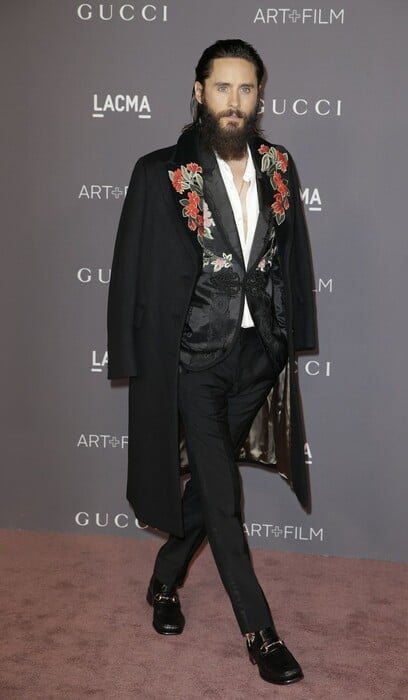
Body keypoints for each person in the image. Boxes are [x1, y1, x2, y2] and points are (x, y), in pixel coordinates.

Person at [107, 39, 317, 685]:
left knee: (207, 487)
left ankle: (165, 580)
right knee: (224, 499)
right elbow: (129, 270)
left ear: (259, 97)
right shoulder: (160, 172)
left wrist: (292, 337)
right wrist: (129, 356)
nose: (234, 101)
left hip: (257, 357)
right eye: (222, 87)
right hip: (193, 359)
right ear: (199, 92)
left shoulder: (279, 164)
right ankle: (260, 633)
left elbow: (293, 257)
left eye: (246, 89)